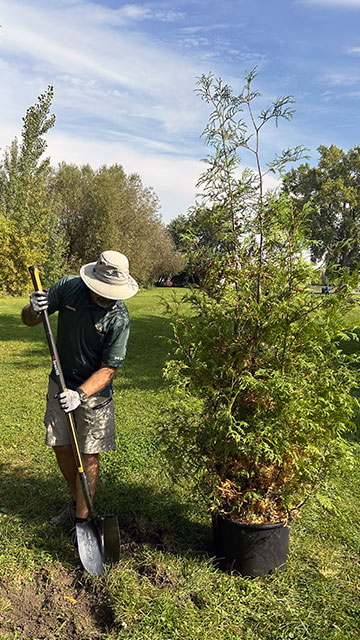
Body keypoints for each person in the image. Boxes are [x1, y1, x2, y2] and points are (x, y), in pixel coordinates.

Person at [21, 250, 138, 536]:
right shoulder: (69, 287)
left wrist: (80, 395)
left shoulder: (119, 319)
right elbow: (29, 320)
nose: (107, 298)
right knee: (61, 445)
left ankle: (82, 522)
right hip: (59, 380)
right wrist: (33, 308)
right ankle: (76, 501)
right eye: (102, 292)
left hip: (94, 394)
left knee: (88, 453)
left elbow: (109, 369)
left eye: (112, 294)